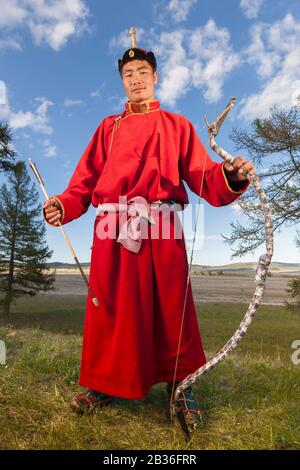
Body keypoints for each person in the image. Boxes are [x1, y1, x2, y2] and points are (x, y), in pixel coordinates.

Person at [43, 31, 255, 433]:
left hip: (160, 228)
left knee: (171, 310)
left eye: (142, 71)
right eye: (128, 73)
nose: (136, 78)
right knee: (109, 309)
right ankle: (102, 384)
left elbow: (202, 175)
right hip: (111, 230)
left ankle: (181, 384)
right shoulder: (108, 128)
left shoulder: (177, 126)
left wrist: (228, 174)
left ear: (155, 77)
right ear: (122, 81)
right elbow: (83, 184)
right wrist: (63, 205)